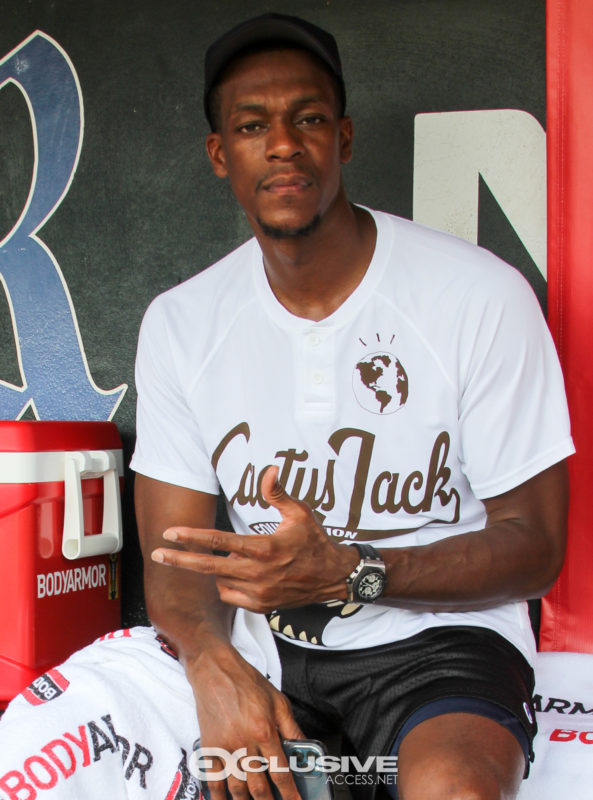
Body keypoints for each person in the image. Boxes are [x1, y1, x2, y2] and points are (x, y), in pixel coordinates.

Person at [131, 12, 574, 800]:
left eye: (306, 119)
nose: (282, 144)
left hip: (441, 643)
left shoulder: (476, 295)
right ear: (218, 154)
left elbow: (534, 547)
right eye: (250, 125)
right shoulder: (182, 321)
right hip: (267, 655)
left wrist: (349, 570)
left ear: (342, 137)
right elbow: (174, 560)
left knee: (452, 791)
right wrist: (210, 662)